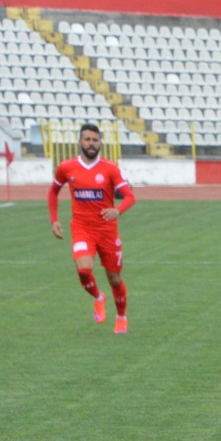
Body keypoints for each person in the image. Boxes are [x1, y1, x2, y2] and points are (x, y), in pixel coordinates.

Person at [48, 122, 134, 334]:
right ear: (80, 142)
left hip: (107, 231)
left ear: (100, 143)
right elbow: (53, 192)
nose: (91, 143)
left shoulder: (110, 168)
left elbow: (130, 196)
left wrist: (117, 210)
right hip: (81, 228)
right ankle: (98, 297)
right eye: (87, 139)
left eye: (95, 140)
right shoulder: (67, 167)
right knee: (84, 270)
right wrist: (54, 220)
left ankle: (121, 316)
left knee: (115, 279)